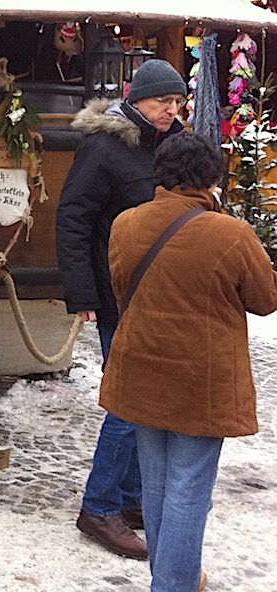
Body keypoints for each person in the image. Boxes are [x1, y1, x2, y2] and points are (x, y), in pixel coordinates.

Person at [104, 133, 277, 591]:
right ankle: (173, 584)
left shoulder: (125, 223)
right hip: (202, 381)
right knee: (188, 489)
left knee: (158, 485)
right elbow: (266, 299)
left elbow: (121, 287)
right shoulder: (230, 233)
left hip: (140, 370)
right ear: (212, 179)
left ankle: (169, 577)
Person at [55, 58, 188, 559]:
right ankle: (100, 507)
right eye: (162, 102)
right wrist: (82, 294)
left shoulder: (171, 144)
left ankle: (131, 498)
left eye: (177, 102)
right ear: (135, 100)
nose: (171, 110)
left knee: (148, 400)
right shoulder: (103, 146)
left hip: (159, 293)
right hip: (115, 293)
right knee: (129, 403)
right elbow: (73, 220)